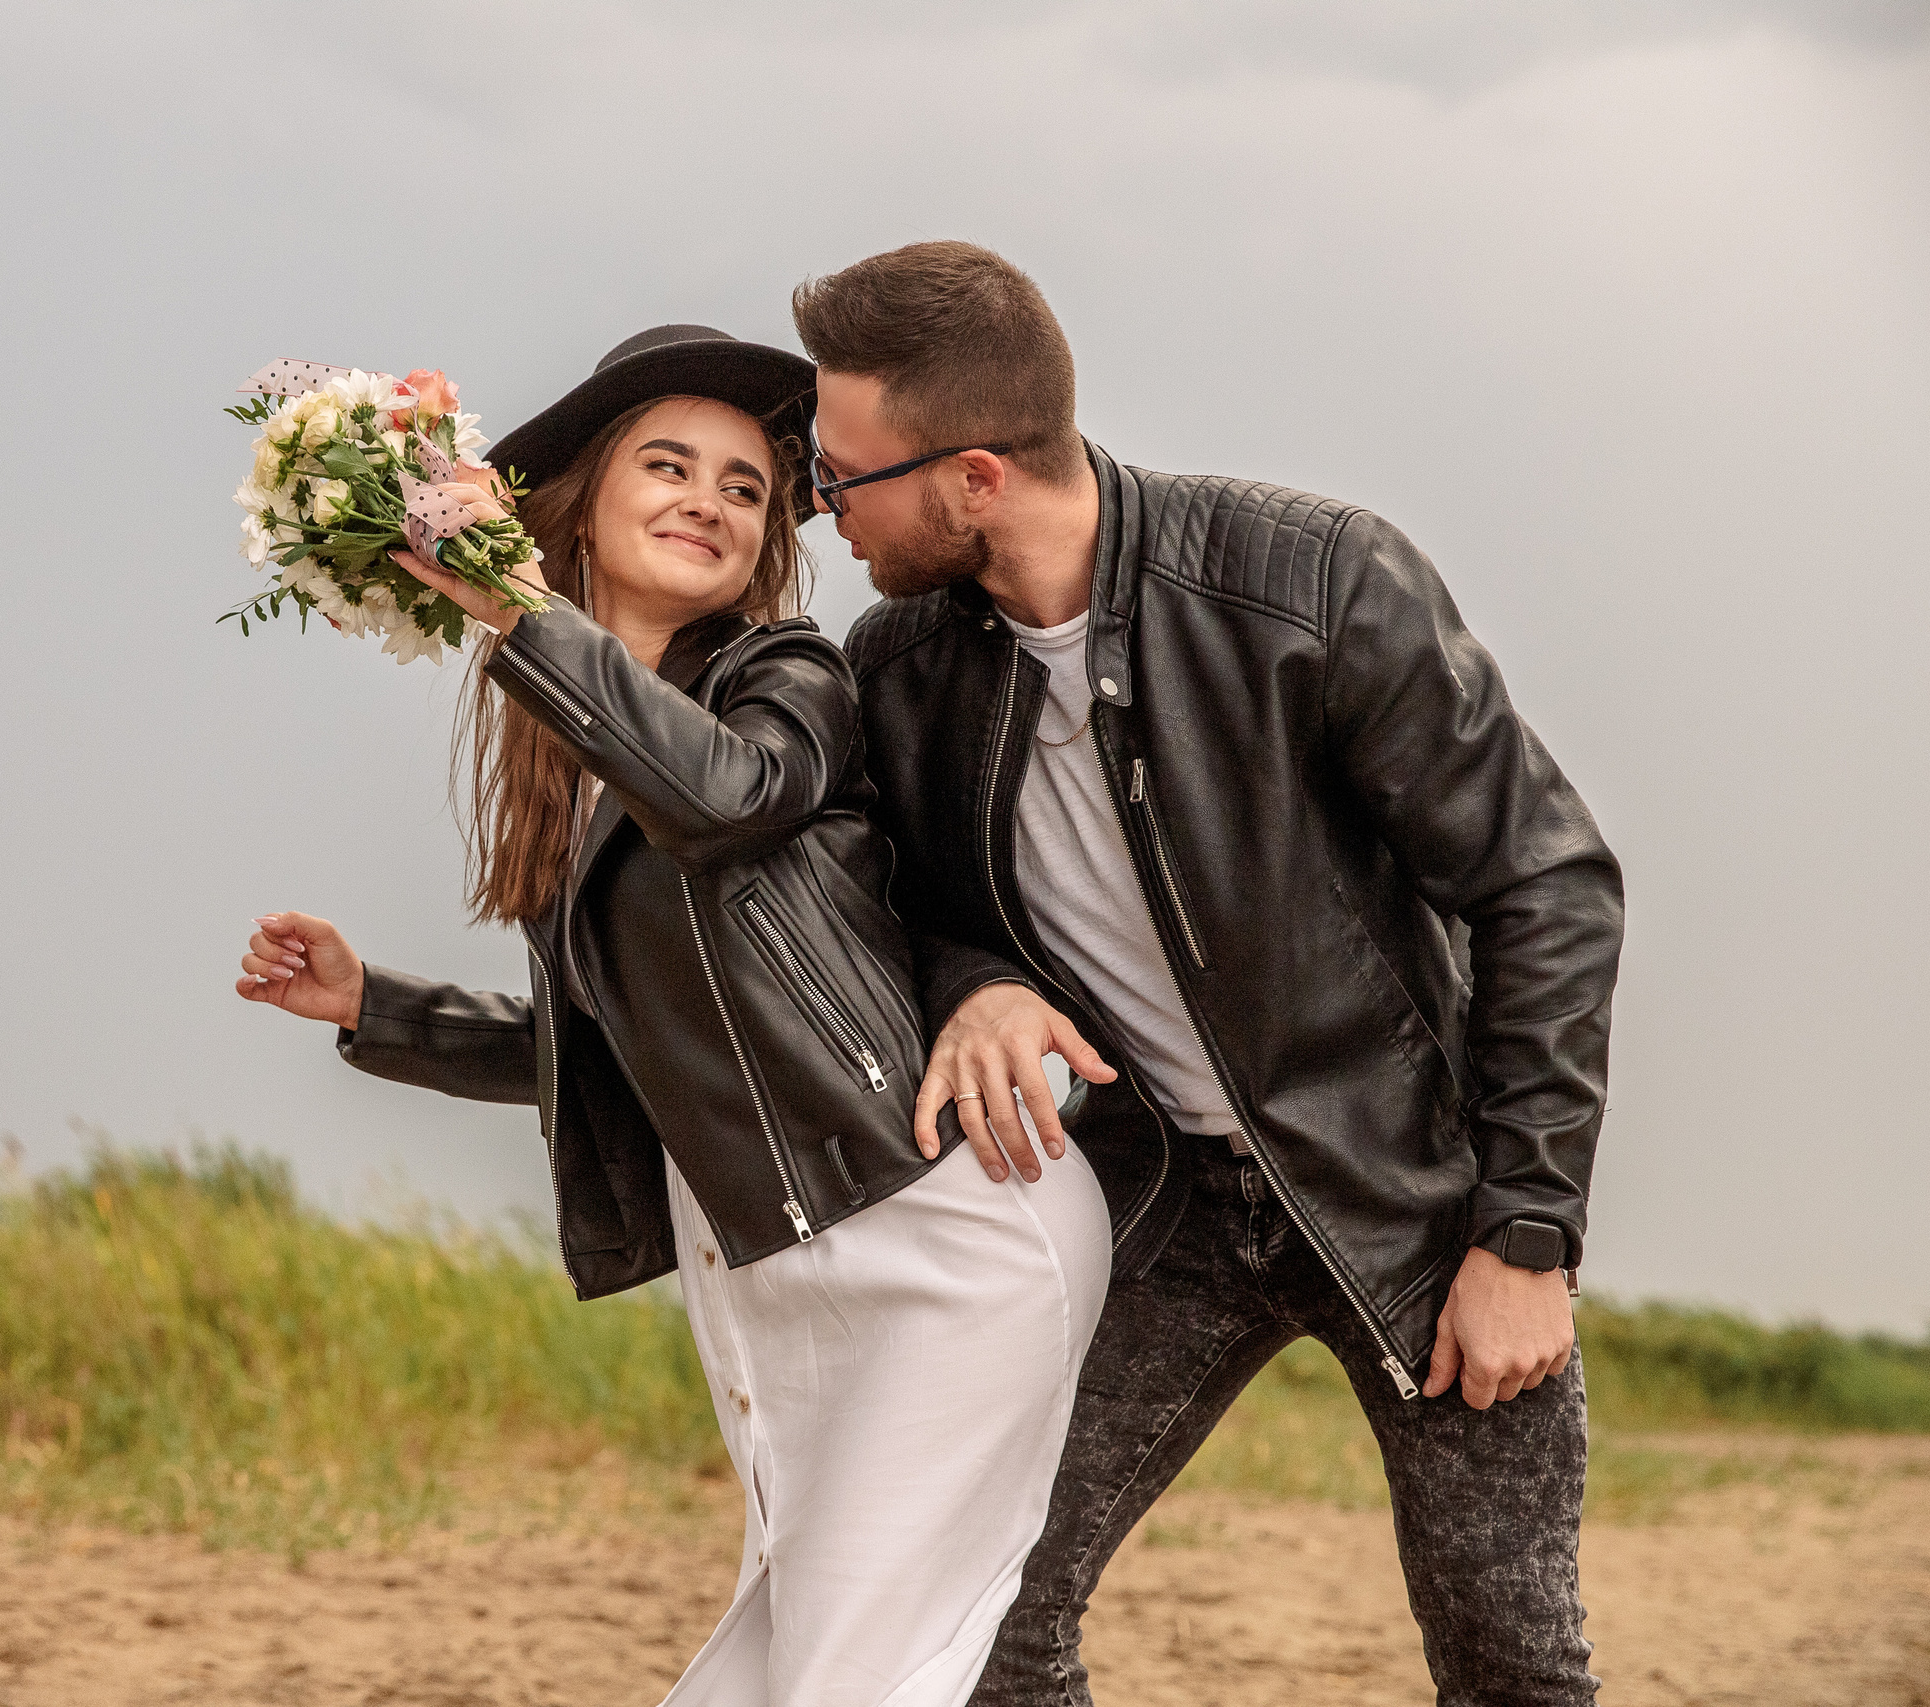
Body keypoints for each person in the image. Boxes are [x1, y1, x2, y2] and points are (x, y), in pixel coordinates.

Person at [235, 325, 1114, 1707]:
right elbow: (603, 1060)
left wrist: (520, 613)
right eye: (668, 465)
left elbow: (723, 798)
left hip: (943, 1236)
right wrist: (376, 1007)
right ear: (583, 502)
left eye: (748, 486)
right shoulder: (568, 767)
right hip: (783, 1272)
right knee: (762, 1681)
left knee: (849, 1679)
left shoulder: (789, 678)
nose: (710, 497)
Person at [796, 243, 1626, 1706]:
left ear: (974, 478)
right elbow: (896, 915)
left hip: (1412, 1199)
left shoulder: (1311, 582)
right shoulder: (898, 669)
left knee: (1513, 1670)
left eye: (840, 478)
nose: (822, 511)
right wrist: (973, 982)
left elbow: (1543, 882)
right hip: (1145, 1201)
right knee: (986, 1620)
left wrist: (1532, 1232)